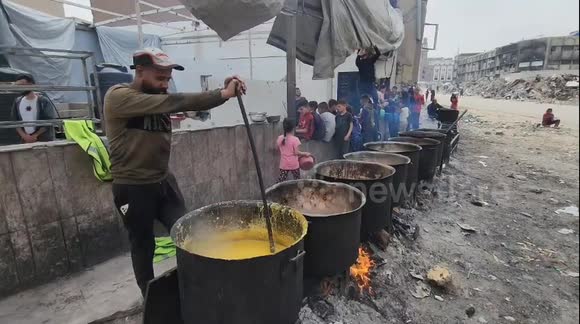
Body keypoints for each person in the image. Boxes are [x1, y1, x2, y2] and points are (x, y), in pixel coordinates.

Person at [104, 48, 246, 296]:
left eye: (168, 78)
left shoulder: (161, 96)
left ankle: (198, 287)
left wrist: (224, 91)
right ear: (139, 71)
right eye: (159, 77)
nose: (164, 83)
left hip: (163, 182)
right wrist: (222, 94)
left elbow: (190, 107)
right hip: (133, 187)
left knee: (188, 231)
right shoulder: (119, 97)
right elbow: (174, 102)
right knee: (143, 244)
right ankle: (150, 296)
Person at [10, 75, 57, 143]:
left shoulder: (43, 101)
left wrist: (35, 135)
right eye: (18, 85)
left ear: (31, 84)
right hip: (24, 140)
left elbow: (50, 120)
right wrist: (24, 136)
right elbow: (14, 120)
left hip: (43, 140)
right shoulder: (17, 101)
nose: (20, 88)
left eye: (22, 85)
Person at [276, 118, 312, 183]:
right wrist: (305, 153)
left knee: (281, 181)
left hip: (284, 164)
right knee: (297, 181)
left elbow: (277, 148)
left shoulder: (280, 138)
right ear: (293, 128)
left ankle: (276, 191)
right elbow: (296, 152)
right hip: (294, 164)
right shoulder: (295, 139)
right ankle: (299, 192)